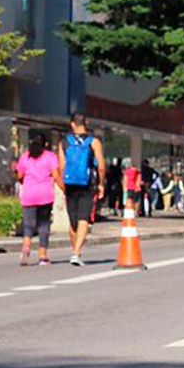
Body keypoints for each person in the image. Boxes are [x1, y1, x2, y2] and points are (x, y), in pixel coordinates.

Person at [59, 114, 106, 267]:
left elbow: (61, 167)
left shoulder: (64, 142)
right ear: (86, 123)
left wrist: (63, 186)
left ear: (72, 124)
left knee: (73, 221)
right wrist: (100, 184)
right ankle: (76, 252)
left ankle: (75, 251)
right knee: (83, 218)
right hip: (87, 184)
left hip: (70, 184)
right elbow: (101, 166)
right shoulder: (94, 142)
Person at [15, 132, 63, 266]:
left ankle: (26, 248)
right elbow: (56, 175)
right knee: (43, 225)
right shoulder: (50, 157)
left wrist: (26, 181)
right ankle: (43, 256)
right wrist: (64, 189)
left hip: (29, 193)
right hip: (45, 195)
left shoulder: (25, 157)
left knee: (28, 225)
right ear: (46, 144)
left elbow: (19, 175)